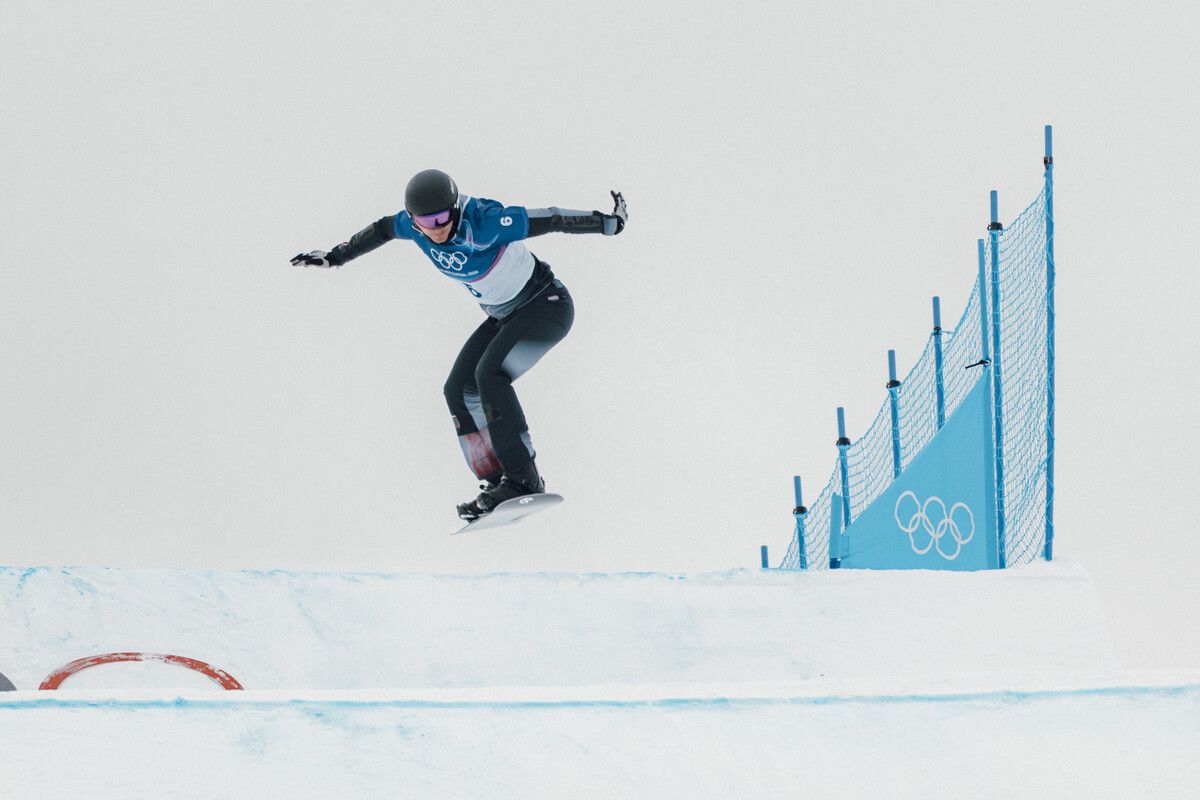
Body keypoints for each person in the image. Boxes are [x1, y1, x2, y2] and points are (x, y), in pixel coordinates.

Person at [291, 169, 627, 520]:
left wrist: (608, 223)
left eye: (441, 217)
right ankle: (499, 482)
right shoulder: (412, 226)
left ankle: (524, 480)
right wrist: (334, 256)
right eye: (424, 220)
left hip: (546, 305)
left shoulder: (486, 221)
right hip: (504, 317)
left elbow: (553, 217)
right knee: (458, 389)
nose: (435, 228)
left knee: (490, 375)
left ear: (454, 208)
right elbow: (381, 229)